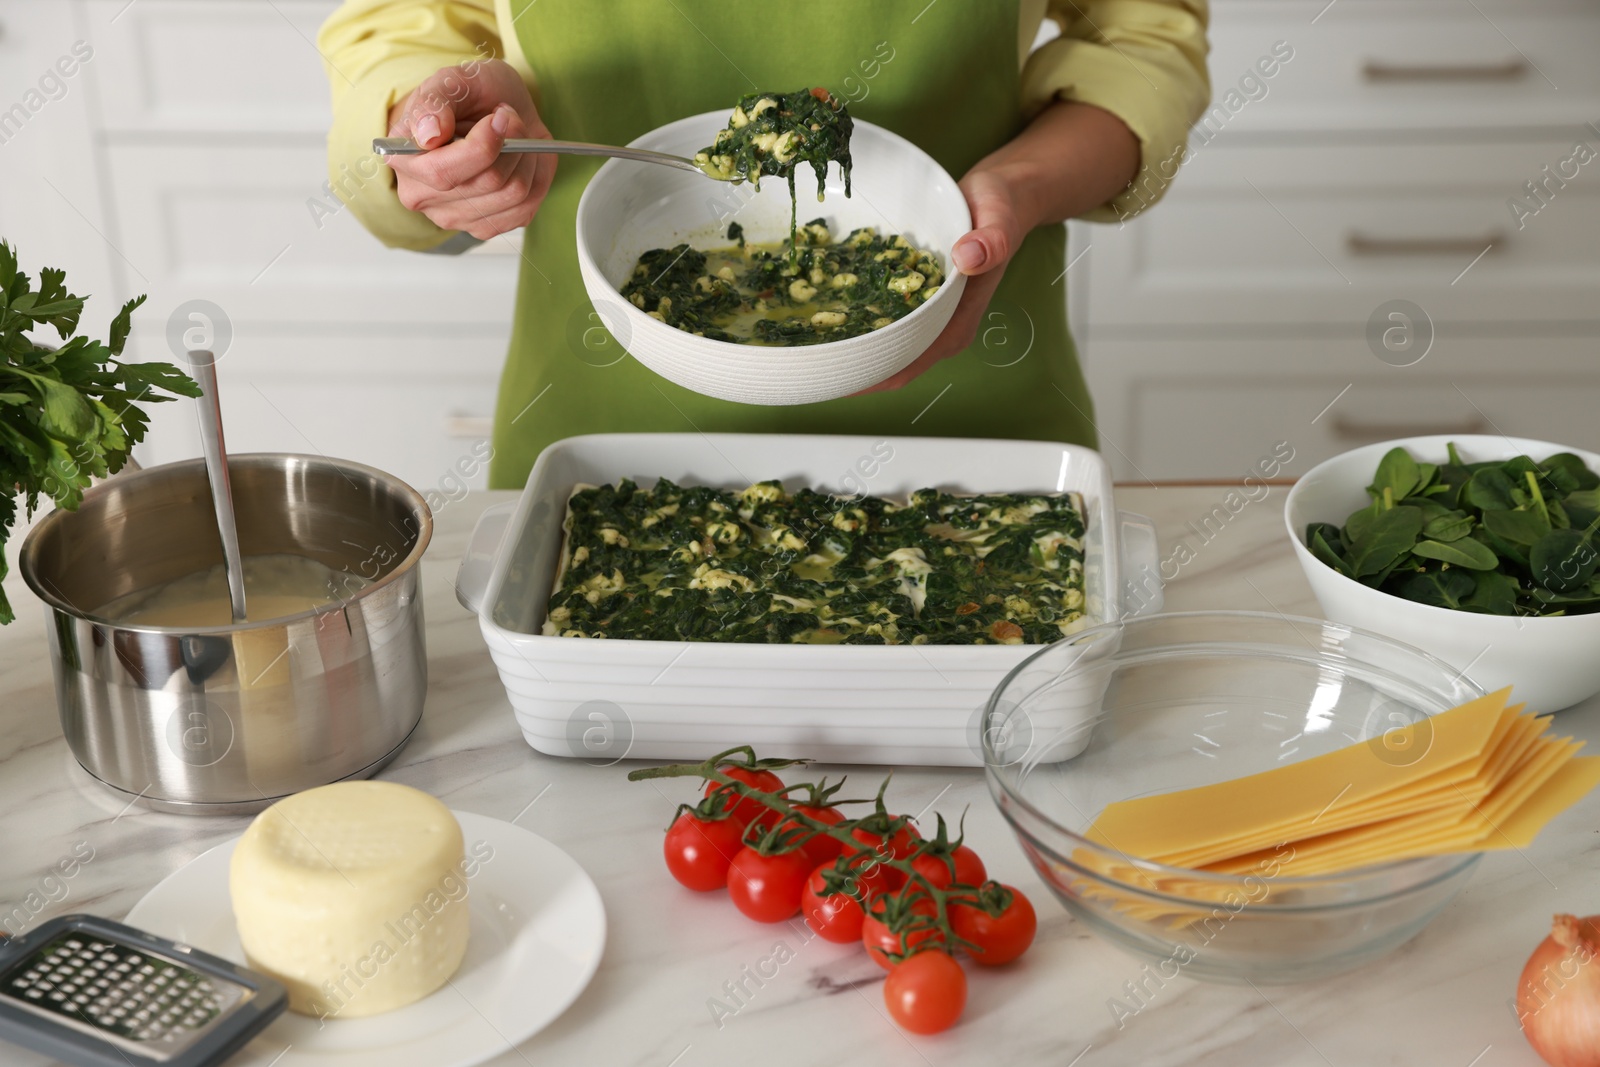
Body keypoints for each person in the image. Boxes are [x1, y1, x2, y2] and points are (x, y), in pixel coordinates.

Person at [318, 1, 1209, 488]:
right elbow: (403, 32)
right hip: (604, 421)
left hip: (965, 382)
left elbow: (1138, 39)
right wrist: (437, 124)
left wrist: (1019, 189)